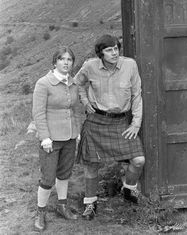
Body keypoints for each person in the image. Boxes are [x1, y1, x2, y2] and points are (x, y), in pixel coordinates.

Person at [75, 34, 145, 220]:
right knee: (91, 164)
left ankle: (128, 189)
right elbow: (78, 84)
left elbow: (137, 95)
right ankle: (90, 203)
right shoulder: (89, 66)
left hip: (121, 122)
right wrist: (84, 101)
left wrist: (136, 123)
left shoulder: (130, 65)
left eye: (116, 48)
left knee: (138, 160)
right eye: (109, 50)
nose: (114, 52)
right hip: (96, 121)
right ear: (100, 53)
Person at [32, 46, 81, 231]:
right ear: (55, 62)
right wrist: (45, 137)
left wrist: (75, 132)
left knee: (64, 174)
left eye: (69, 59)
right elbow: (38, 113)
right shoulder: (43, 83)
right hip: (50, 139)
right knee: (47, 178)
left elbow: (76, 110)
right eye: (62, 59)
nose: (66, 62)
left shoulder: (73, 83)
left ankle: (62, 206)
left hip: (69, 137)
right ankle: (40, 213)